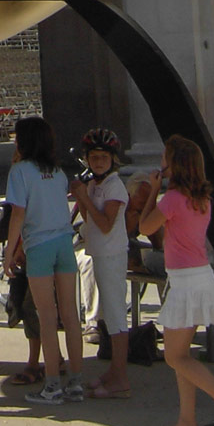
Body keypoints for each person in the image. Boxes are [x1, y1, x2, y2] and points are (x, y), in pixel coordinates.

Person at [138, 134, 214, 426]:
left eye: (166, 157)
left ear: (174, 165)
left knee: (175, 357)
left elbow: (145, 227)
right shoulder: (202, 198)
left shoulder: (173, 198)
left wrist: (153, 190)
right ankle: (187, 422)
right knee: (182, 355)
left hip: (186, 282)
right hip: (198, 278)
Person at [2, 116, 83, 408]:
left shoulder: (19, 171)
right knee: (70, 315)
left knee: (46, 317)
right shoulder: (58, 172)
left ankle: (52, 385)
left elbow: (18, 213)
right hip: (64, 242)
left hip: (39, 245)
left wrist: (9, 251)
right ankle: (75, 382)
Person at [70, 126, 131, 399]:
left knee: (116, 315)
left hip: (111, 254)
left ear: (112, 159)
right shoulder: (96, 185)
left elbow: (106, 225)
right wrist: (83, 197)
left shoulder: (114, 186)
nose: (97, 162)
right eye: (93, 157)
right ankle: (114, 371)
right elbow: (89, 217)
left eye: (103, 157)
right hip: (99, 253)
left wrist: (84, 197)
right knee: (108, 312)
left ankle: (121, 376)